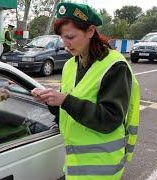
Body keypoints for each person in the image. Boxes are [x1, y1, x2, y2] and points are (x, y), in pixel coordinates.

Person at [31, 2, 140, 180]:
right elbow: (67, 111)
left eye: (71, 37)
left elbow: (110, 119)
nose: (66, 44)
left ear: (90, 31)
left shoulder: (115, 66)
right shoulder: (70, 65)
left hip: (102, 167)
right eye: (62, 38)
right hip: (75, 163)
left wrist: (65, 100)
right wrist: (51, 100)